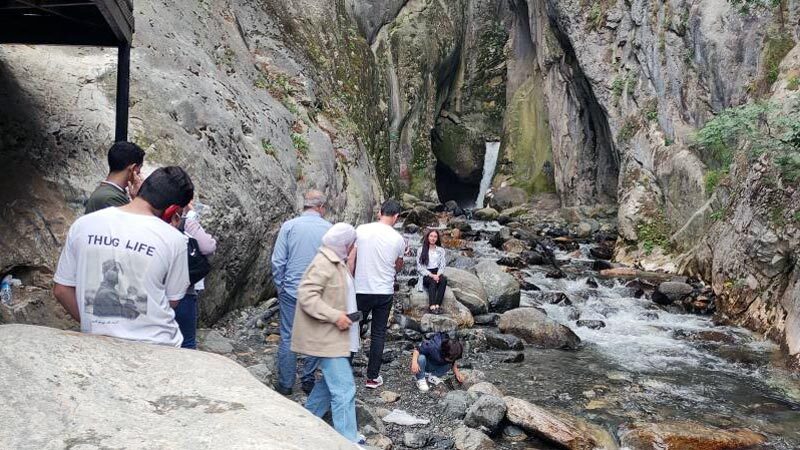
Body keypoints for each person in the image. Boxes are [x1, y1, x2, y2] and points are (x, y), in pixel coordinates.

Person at [53, 166, 194, 347]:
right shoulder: (174, 239)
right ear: (172, 209)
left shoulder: (83, 224)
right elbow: (172, 299)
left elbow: (61, 289)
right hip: (157, 344)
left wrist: (97, 325)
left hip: (97, 341)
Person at [291, 223, 363, 444]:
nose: (353, 246)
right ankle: (347, 441)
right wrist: (335, 316)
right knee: (344, 389)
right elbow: (306, 295)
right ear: (343, 243)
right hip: (329, 338)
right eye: (351, 243)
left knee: (328, 385)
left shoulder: (336, 261)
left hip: (339, 337)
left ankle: (305, 423)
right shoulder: (323, 262)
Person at [271, 190, 332, 395]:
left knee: (288, 336)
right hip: (318, 292)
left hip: (291, 289)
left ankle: (286, 384)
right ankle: (308, 379)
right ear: (321, 207)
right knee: (315, 335)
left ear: (305, 205)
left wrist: (280, 286)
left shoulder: (289, 226)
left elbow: (278, 261)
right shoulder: (329, 229)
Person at [351, 199, 406, 389]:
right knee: (378, 334)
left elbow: (352, 258)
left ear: (379, 212)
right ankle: (372, 378)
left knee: (352, 328)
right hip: (383, 293)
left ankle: (343, 369)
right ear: (397, 217)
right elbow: (397, 267)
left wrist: (350, 279)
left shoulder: (361, 230)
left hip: (361, 290)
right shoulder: (399, 239)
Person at [162, 202, 217, 349]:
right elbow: (208, 246)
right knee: (186, 341)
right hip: (184, 289)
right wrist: (192, 217)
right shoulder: (186, 222)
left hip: (155, 289)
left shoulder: (150, 220)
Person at [85, 141, 145, 214]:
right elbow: (135, 223)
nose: (140, 174)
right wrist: (140, 199)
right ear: (133, 169)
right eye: (139, 168)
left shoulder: (108, 193)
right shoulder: (111, 198)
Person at [416, 229, 447, 314]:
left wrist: (438, 274)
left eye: (435, 237)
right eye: (431, 236)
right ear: (428, 237)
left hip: (437, 272)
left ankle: (437, 305)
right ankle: (432, 306)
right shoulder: (421, 250)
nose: (433, 238)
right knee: (433, 281)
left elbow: (442, 265)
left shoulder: (441, 250)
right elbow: (419, 267)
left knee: (443, 280)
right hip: (426, 273)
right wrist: (432, 275)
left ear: (437, 239)